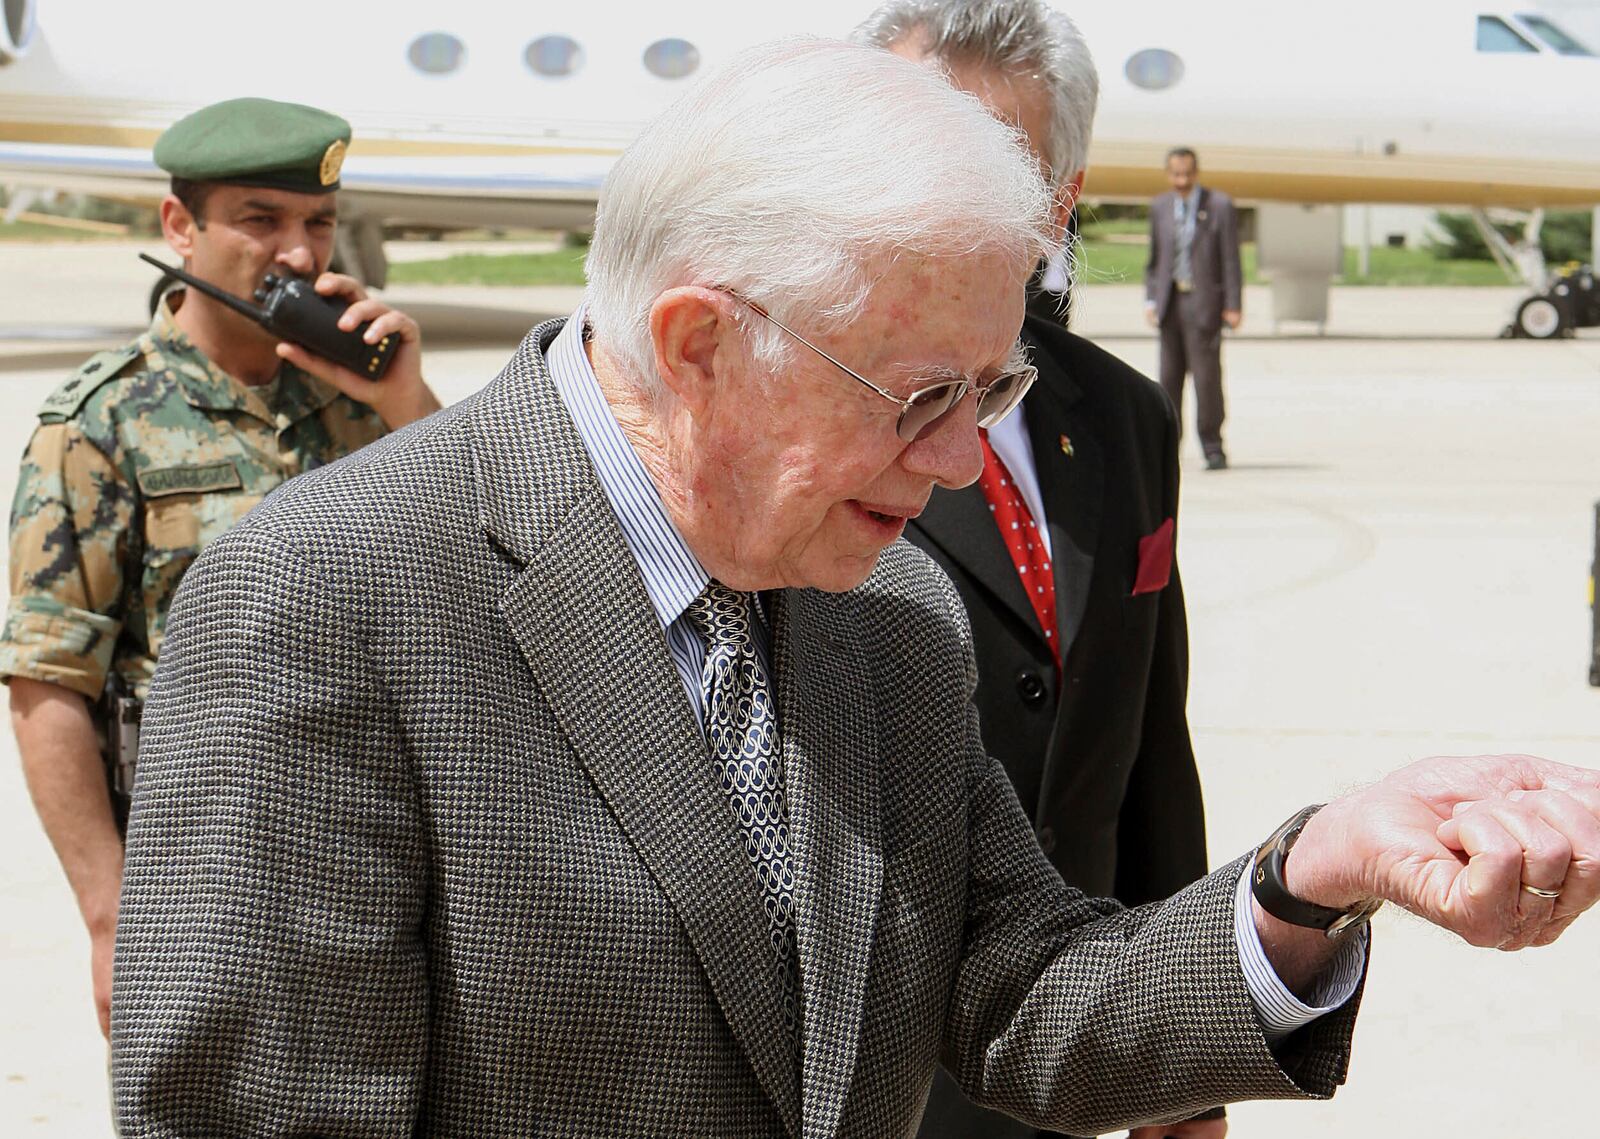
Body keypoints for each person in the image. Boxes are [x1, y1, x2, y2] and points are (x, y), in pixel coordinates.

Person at [111, 41, 1600, 1138]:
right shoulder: (322, 602)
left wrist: (1310, 875)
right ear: (699, 343)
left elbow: (1025, 995)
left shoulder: (883, 610)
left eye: (995, 386)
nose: (961, 460)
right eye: (919, 394)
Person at [0, 97, 440, 1040]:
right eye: (259, 219)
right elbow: (46, 683)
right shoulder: (98, 425)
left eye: (317, 223)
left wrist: (410, 402)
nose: (299, 254)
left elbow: (487, 555)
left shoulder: (360, 398)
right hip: (202, 882)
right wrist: (111, 919)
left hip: (375, 862)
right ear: (178, 227)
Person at [854, 3, 1219, 1136]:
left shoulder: (1119, 413)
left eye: (987, 171)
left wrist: (1182, 1047)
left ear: (1057, 203)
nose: (932, 202)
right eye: (908, 156)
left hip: (1067, 1047)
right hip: (870, 1058)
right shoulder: (797, 411)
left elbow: (1148, 739)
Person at [1144, 147, 1241, 470]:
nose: (1182, 181)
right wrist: (1151, 299)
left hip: (1204, 305)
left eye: (1187, 174)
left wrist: (1233, 304)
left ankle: (1213, 445)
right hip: (1170, 305)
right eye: (1176, 175)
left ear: (1196, 173)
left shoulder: (1219, 206)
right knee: (1168, 380)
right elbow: (1155, 260)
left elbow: (1230, 258)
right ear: (1168, 174)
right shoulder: (1160, 207)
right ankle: (1169, 446)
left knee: (1207, 379)